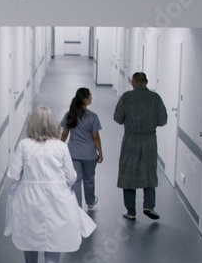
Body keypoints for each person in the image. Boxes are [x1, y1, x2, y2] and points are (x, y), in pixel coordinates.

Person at [5, 106, 96, 263]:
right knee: (53, 240)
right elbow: (72, 177)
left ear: (32, 124)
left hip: (30, 198)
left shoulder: (24, 145)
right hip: (58, 198)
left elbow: (12, 176)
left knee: (29, 237)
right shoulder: (60, 147)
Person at [113, 72, 168, 221]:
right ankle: (149, 206)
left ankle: (131, 211)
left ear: (133, 82)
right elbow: (163, 120)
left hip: (131, 139)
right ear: (146, 82)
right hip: (149, 140)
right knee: (149, 173)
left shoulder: (127, 97)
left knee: (128, 174)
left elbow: (118, 118)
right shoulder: (155, 98)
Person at [59, 87, 103, 211]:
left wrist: (58, 147)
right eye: (90, 96)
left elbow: (64, 134)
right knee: (89, 178)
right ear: (85, 100)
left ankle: (77, 206)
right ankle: (90, 201)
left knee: (76, 180)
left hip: (73, 153)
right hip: (89, 154)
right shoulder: (93, 117)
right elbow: (95, 137)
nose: (91, 98)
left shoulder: (69, 115)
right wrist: (100, 152)